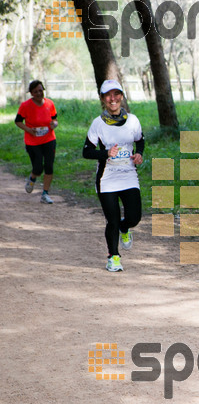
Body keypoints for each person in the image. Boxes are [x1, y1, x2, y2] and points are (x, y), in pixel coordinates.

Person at [82, 80, 144, 272]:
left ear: (122, 96)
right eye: (108, 95)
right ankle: (113, 257)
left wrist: (139, 154)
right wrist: (106, 153)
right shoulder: (98, 124)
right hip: (107, 178)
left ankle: (125, 229)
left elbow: (140, 140)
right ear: (102, 99)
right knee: (112, 220)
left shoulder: (133, 120)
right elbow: (86, 152)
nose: (113, 99)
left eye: (116, 94)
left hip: (128, 175)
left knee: (134, 217)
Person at [15, 80, 58, 204]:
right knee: (38, 168)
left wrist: (54, 124)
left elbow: (55, 119)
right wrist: (29, 130)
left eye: (40, 90)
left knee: (49, 166)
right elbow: (18, 121)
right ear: (31, 93)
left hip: (49, 139)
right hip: (32, 141)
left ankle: (45, 194)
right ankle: (32, 178)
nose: (39, 93)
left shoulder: (50, 103)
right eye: (35, 92)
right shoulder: (25, 106)